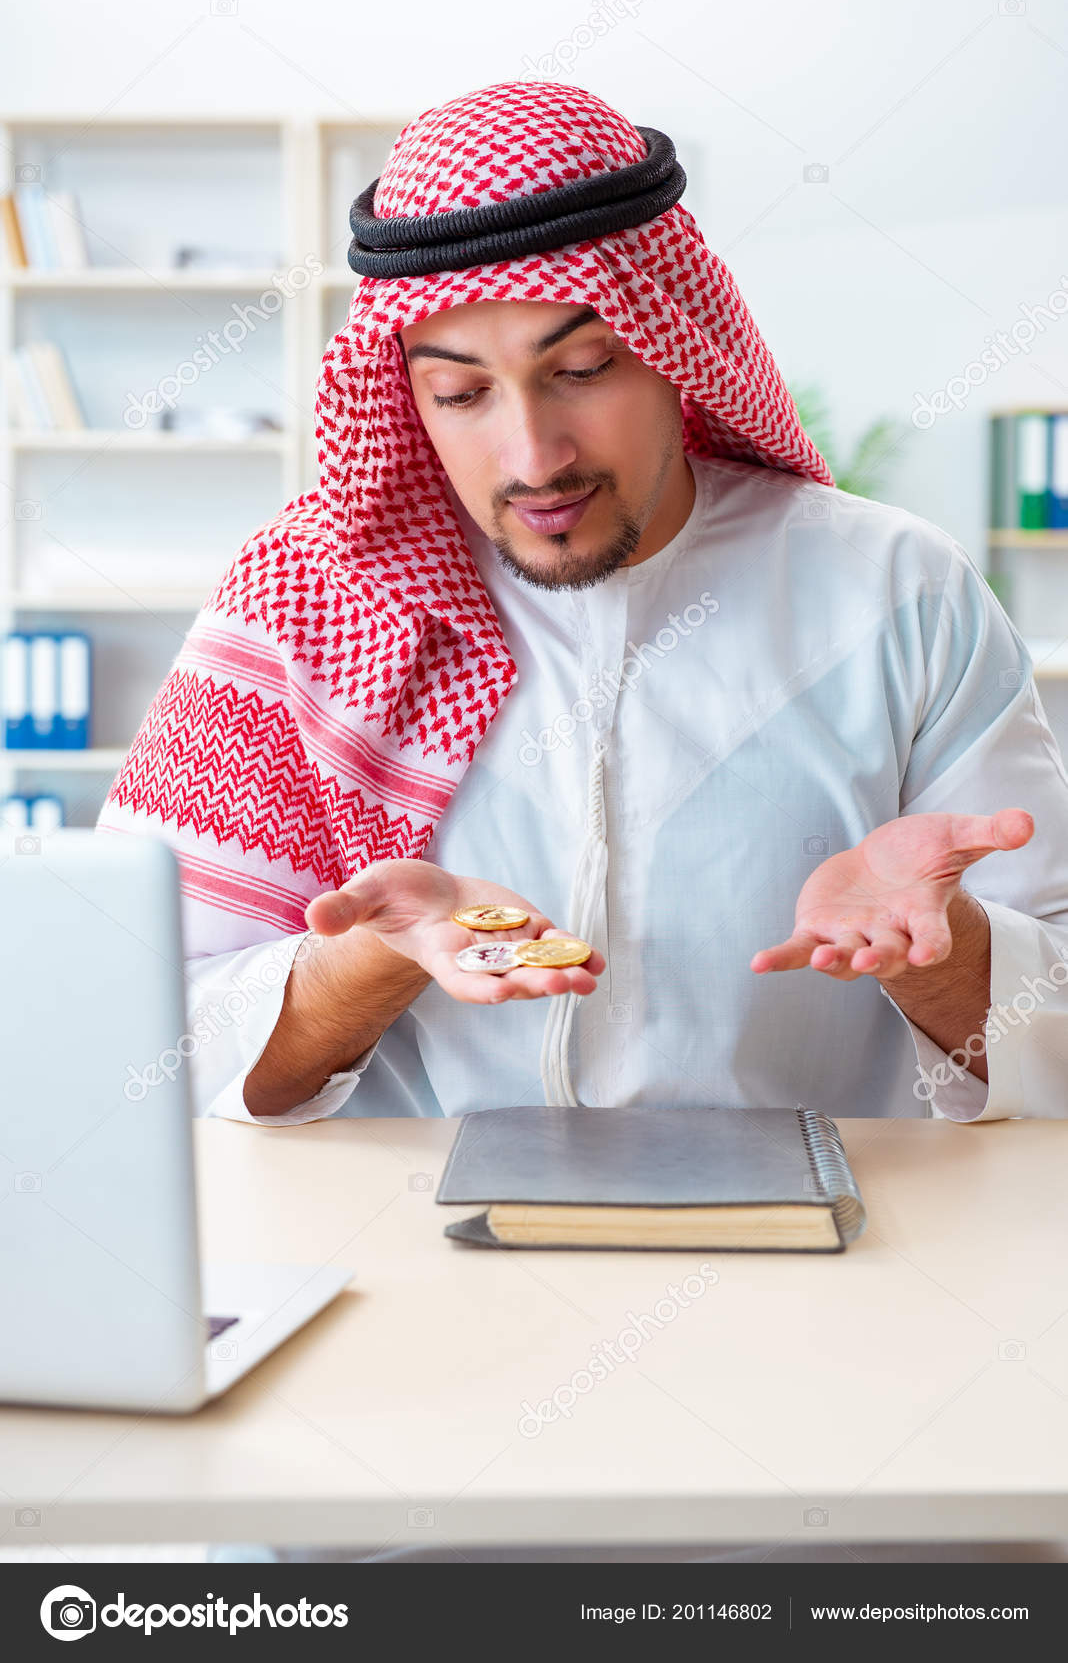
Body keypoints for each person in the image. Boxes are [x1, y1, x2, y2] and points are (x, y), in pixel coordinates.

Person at [97, 81, 1068, 1564]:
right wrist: (366, 972)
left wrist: (935, 954)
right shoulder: (307, 603)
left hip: (840, 1351)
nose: (534, 453)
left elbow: (1055, 1021)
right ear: (400, 392)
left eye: (584, 366)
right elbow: (129, 1043)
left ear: (677, 344)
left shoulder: (894, 592)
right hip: (412, 1367)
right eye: (461, 390)